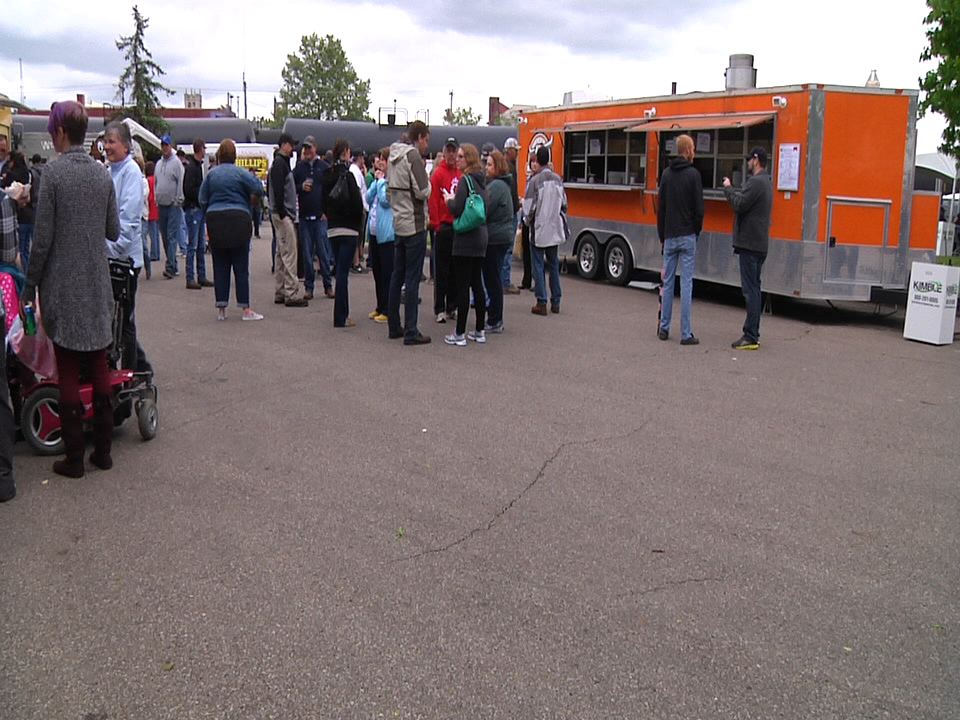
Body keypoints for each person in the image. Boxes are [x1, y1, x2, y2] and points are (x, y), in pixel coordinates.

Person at [23, 100, 119, 478]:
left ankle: (75, 457)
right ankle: (104, 452)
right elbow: (112, 230)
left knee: (66, 368)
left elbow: (42, 240)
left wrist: (30, 286)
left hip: (62, 286)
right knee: (98, 362)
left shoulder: (53, 175)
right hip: (96, 283)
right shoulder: (102, 174)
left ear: (60, 132)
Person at [103, 121, 153, 380]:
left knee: (125, 322)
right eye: (105, 141)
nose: (107, 146)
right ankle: (140, 368)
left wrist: (109, 248)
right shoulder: (108, 171)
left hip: (125, 260)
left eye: (111, 141)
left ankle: (131, 374)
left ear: (125, 145)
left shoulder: (130, 172)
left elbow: (129, 221)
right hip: (110, 257)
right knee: (117, 322)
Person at [199, 138, 265, 321]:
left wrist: (209, 212)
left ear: (219, 154)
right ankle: (245, 309)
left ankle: (221, 308)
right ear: (234, 155)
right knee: (241, 266)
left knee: (220, 264)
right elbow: (259, 188)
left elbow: (202, 198)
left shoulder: (211, 174)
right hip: (239, 219)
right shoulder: (241, 173)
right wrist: (250, 200)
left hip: (216, 220)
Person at [387, 120, 432, 345]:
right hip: (414, 224)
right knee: (412, 279)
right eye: (426, 140)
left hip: (398, 222)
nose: (427, 145)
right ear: (420, 137)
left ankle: (394, 325)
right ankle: (411, 330)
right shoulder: (412, 157)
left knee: (397, 276)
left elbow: (388, 192)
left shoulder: (392, 156)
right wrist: (428, 183)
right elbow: (423, 191)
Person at [723, 146, 772, 350]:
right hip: (759, 244)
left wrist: (728, 188)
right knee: (755, 289)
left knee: (750, 290)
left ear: (756, 160)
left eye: (750, 160)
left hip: (750, 244)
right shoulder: (766, 181)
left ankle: (751, 335)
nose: (748, 163)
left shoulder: (756, 182)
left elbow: (739, 204)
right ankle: (753, 333)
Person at [657, 134, 704, 346]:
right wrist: (696, 231)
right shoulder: (694, 175)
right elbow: (699, 209)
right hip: (687, 235)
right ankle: (685, 333)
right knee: (686, 284)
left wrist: (662, 235)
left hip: (669, 235)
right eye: (692, 148)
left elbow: (661, 209)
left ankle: (664, 327)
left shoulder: (666, 174)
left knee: (667, 283)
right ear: (687, 150)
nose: (694, 151)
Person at [443, 143, 488, 346]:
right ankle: (479, 329)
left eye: (461, 156)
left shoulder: (465, 180)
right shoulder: (482, 181)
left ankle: (459, 332)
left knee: (462, 286)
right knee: (477, 284)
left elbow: (457, 208)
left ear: (468, 158)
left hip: (465, 239)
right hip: (481, 237)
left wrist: (448, 200)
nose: (457, 159)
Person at [321, 138, 364, 327]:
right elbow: (358, 204)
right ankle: (341, 316)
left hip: (333, 228)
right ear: (345, 152)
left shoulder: (327, 175)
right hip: (349, 229)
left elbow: (322, 201)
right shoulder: (349, 176)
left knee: (339, 268)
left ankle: (342, 314)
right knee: (343, 274)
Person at [523, 146, 567, 315]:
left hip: (539, 228)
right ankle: (556, 301)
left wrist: (526, 221)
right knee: (554, 264)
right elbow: (564, 204)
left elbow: (529, 207)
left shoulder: (535, 181)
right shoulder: (558, 180)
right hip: (554, 228)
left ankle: (541, 301)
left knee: (538, 264)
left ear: (537, 160)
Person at [269, 132, 308, 307]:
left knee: (281, 252)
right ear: (284, 145)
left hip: (279, 213)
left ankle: (280, 290)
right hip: (283, 214)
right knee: (290, 253)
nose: (293, 148)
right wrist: (284, 213)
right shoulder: (280, 164)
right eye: (291, 145)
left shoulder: (279, 163)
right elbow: (278, 191)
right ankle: (291, 293)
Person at [293, 135, 333, 300]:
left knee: (323, 253)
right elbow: (290, 187)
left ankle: (328, 286)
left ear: (315, 148)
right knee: (307, 255)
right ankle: (309, 287)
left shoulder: (323, 167)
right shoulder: (299, 168)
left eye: (310, 147)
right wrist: (300, 187)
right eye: (305, 148)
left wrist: (326, 211)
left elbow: (330, 190)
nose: (307, 151)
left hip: (319, 218)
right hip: (304, 217)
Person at [428, 137, 461, 324]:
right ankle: (439, 308)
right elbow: (433, 201)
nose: (451, 154)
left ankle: (452, 306)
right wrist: (436, 224)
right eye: (448, 151)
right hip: (443, 226)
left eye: (453, 151)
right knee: (441, 270)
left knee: (455, 269)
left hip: (457, 225)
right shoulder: (438, 174)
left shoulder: (460, 174)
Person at [482, 149, 514, 334]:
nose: (486, 168)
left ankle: (495, 319)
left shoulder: (496, 187)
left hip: (495, 238)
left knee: (492, 280)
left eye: (489, 164)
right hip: (501, 236)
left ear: (498, 166)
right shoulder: (503, 185)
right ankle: (495, 317)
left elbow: (484, 210)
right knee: (495, 278)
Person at [365, 148, 394, 323]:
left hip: (387, 234)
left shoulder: (390, 182)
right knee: (377, 271)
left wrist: (381, 182)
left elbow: (384, 200)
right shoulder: (378, 181)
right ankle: (379, 305)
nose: (380, 162)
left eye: (384, 159)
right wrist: (376, 182)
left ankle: (388, 308)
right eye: (379, 159)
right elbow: (368, 198)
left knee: (387, 273)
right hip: (374, 233)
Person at [183, 138, 212, 290]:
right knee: (193, 245)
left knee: (200, 245)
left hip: (198, 209)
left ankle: (201, 275)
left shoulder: (197, 167)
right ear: (200, 149)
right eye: (204, 148)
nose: (205, 151)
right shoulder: (191, 168)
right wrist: (201, 194)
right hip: (193, 208)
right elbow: (188, 189)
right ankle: (190, 277)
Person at [155, 134, 184, 279]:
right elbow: (156, 182)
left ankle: (170, 267)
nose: (164, 148)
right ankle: (173, 264)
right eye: (162, 145)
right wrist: (156, 197)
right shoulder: (158, 164)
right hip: (161, 204)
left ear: (170, 146)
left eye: (166, 145)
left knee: (172, 236)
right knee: (165, 237)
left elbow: (181, 181)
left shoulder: (177, 163)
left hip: (173, 204)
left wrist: (178, 199)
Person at [502, 137, 522, 294]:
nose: (517, 153)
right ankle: (505, 281)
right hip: (510, 213)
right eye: (516, 150)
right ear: (510, 151)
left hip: (508, 211)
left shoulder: (505, 166)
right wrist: (517, 204)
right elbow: (511, 192)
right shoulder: (509, 168)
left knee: (505, 249)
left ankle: (503, 280)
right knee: (507, 248)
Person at [349, 149, 369, 273]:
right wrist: (360, 207)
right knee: (357, 235)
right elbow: (357, 189)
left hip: (362, 206)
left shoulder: (357, 170)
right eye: (362, 158)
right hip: (359, 207)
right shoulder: (355, 171)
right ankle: (355, 262)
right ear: (359, 158)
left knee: (360, 236)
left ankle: (356, 260)